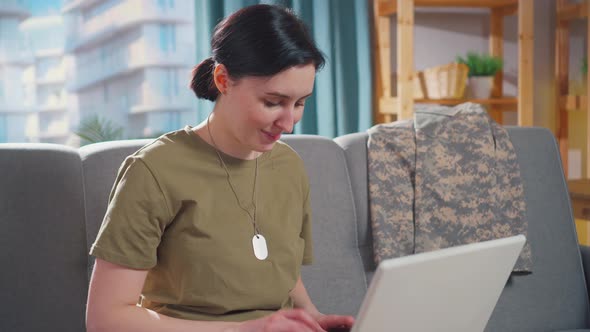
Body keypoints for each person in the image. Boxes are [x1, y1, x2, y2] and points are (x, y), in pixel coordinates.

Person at [86, 4, 355, 332]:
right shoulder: (153, 171)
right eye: (272, 102)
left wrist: (312, 317)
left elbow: (282, 274)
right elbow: (106, 318)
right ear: (223, 79)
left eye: (299, 103)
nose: (288, 123)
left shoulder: (289, 167)